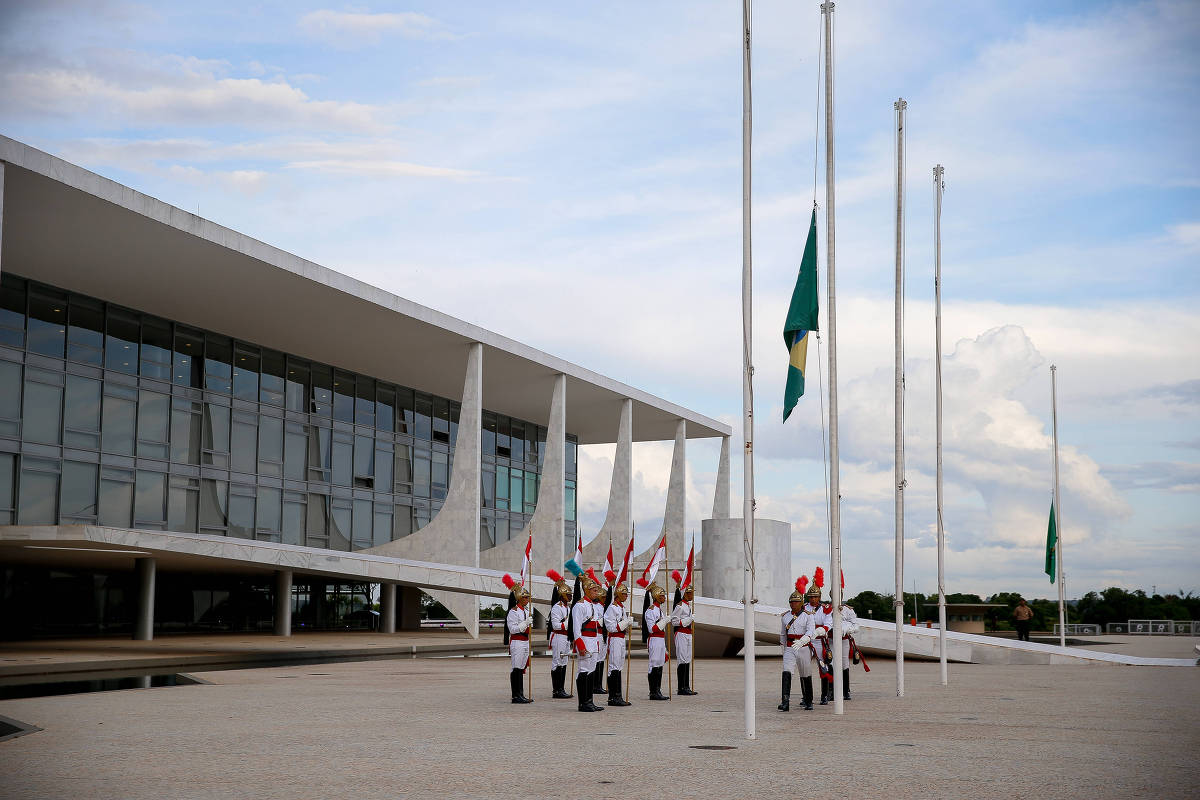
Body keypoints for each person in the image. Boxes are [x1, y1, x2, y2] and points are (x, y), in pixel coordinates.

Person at [779, 577, 816, 711]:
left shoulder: (808, 615)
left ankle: (808, 700)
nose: (793, 604)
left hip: (803, 647)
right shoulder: (785, 616)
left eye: (795, 602)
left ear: (801, 603)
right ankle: (785, 701)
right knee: (786, 671)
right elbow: (783, 634)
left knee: (805, 673)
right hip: (790, 647)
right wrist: (783, 648)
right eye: (791, 602)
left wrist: (802, 641)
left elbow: (811, 632)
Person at [571, 576, 605, 712]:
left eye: (597, 590)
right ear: (587, 590)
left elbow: (596, 625)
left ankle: (590, 701)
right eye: (594, 590)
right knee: (584, 670)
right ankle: (583, 703)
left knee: (591, 671)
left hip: (593, 642)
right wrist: (580, 645)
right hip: (584, 640)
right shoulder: (579, 605)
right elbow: (576, 629)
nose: (597, 592)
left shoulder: (592, 605)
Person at [503, 580, 534, 704]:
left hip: (525, 641)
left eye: (528, 597)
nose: (527, 599)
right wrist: (525, 623)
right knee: (516, 668)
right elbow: (513, 629)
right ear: (519, 598)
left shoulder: (526, 611)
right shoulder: (513, 611)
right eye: (525, 597)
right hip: (517, 641)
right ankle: (515, 695)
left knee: (521, 668)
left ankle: (521, 693)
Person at [603, 582, 633, 706]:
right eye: (624, 594)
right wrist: (626, 622)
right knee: (614, 666)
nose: (626, 596)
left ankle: (618, 695)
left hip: (621, 639)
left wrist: (626, 623)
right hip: (615, 638)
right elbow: (611, 627)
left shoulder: (621, 608)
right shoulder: (612, 608)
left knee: (619, 666)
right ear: (619, 594)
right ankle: (613, 697)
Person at [546, 569, 573, 699]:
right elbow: (556, 625)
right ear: (562, 595)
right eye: (568, 594)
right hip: (559, 636)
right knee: (557, 661)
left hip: (566, 637)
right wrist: (568, 622)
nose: (571, 596)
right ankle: (556, 690)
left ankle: (561, 688)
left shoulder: (567, 607)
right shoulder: (557, 607)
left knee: (564, 661)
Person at [669, 573, 697, 696]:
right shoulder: (680, 606)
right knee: (682, 659)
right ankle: (681, 687)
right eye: (690, 593)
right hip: (681, 633)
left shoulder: (687, 605)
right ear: (685, 593)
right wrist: (687, 620)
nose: (692, 595)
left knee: (687, 658)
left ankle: (686, 685)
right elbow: (674, 621)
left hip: (688, 634)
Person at [642, 582, 670, 700]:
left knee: (659, 664)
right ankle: (653, 691)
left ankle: (658, 690)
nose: (664, 598)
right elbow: (652, 629)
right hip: (654, 639)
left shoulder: (660, 610)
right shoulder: (651, 610)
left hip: (660, 639)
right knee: (654, 665)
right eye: (662, 596)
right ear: (657, 596)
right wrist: (664, 621)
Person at [587, 569, 608, 695]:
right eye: (604, 597)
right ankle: (595, 685)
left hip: (602, 634)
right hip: (598, 633)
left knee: (601, 660)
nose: (605, 598)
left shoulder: (602, 606)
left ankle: (598, 684)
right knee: (597, 660)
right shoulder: (597, 606)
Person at [837, 597, 860, 700]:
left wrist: (848, 628)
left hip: (844, 639)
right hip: (831, 640)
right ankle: (831, 690)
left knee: (844, 663)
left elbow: (856, 626)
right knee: (831, 663)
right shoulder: (827, 608)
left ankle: (846, 690)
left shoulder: (848, 610)